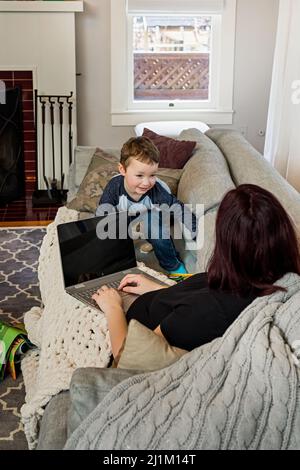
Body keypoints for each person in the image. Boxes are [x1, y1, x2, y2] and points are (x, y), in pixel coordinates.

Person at [92, 184, 300, 359]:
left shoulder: (208, 313)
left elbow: (128, 358)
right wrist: (159, 289)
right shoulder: (263, 273)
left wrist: (113, 308)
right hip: (155, 297)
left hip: (121, 326)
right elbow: (195, 299)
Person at [95, 136, 198, 274]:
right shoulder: (114, 186)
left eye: (152, 175)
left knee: (155, 227)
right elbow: (102, 214)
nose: (146, 183)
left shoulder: (156, 190)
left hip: (154, 214)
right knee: (111, 228)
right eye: (139, 175)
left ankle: (173, 266)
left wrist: (195, 231)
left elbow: (177, 208)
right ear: (122, 170)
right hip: (124, 215)